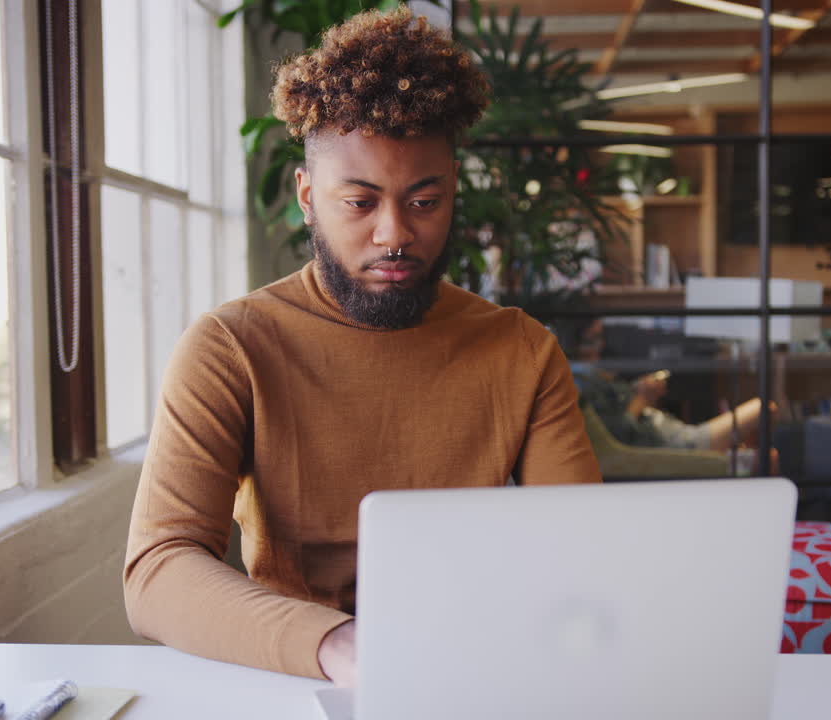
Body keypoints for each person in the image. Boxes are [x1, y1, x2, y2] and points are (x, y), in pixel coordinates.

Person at [122, 6, 600, 690]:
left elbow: (581, 556)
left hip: (475, 674)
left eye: (424, 201)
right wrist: (340, 647)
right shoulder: (230, 347)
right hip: (299, 678)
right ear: (308, 196)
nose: (394, 234)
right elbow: (158, 569)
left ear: (454, 194)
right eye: (360, 202)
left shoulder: (520, 350)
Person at [565, 318, 773, 452]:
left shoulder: (590, 375)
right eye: (592, 340)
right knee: (764, 409)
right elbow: (618, 434)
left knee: (762, 452)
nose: (600, 346)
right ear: (573, 345)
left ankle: (742, 459)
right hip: (677, 443)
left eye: (602, 337)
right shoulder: (581, 383)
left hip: (674, 432)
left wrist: (637, 392)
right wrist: (642, 399)